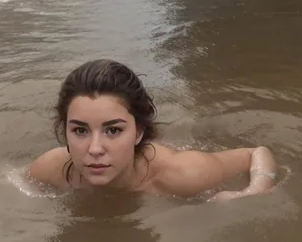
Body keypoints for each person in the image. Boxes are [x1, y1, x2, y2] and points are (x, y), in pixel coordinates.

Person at [28, 59, 278, 200]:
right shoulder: (52, 169)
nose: (94, 149)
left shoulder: (184, 173)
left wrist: (254, 191)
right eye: (80, 131)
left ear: (138, 132)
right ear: (65, 132)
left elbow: (255, 153)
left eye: (113, 131)